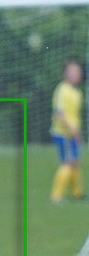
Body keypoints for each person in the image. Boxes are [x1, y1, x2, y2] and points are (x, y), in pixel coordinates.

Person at [50, 60, 85, 204]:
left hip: (73, 134)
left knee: (75, 162)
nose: (75, 74)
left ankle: (77, 193)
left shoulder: (77, 92)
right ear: (65, 74)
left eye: (77, 71)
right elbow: (59, 113)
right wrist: (72, 129)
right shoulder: (62, 89)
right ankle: (56, 196)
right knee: (68, 162)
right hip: (62, 133)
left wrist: (76, 131)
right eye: (72, 71)